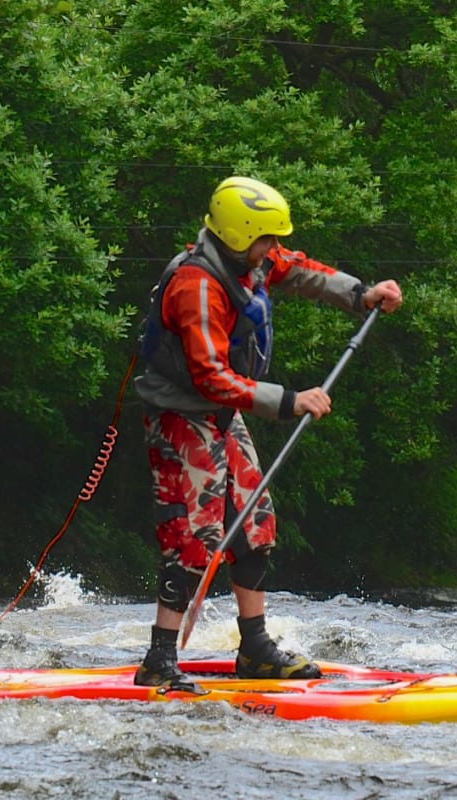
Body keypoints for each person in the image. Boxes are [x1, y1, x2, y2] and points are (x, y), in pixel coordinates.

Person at [133, 176, 403, 692]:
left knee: (256, 525)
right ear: (239, 234)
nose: (273, 249)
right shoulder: (197, 285)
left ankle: (254, 648)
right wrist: (289, 400)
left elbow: (300, 269)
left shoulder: (248, 261)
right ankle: (159, 660)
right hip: (180, 418)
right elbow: (210, 373)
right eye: (267, 239)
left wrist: (361, 295)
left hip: (218, 414)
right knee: (194, 540)